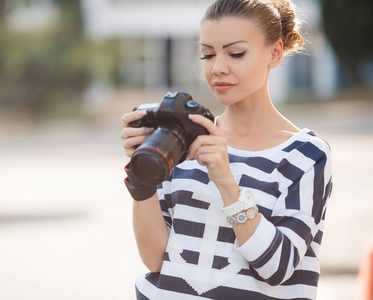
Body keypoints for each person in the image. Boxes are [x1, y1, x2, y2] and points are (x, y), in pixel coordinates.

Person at [121, 0, 333, 299]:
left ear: (274, 53)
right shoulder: (180, 140)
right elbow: (155, 259)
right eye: (207, 54)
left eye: (236, 53)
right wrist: (141, 176)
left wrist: (225, 180)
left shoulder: (306, 154)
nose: (217, 68)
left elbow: (277, 267)